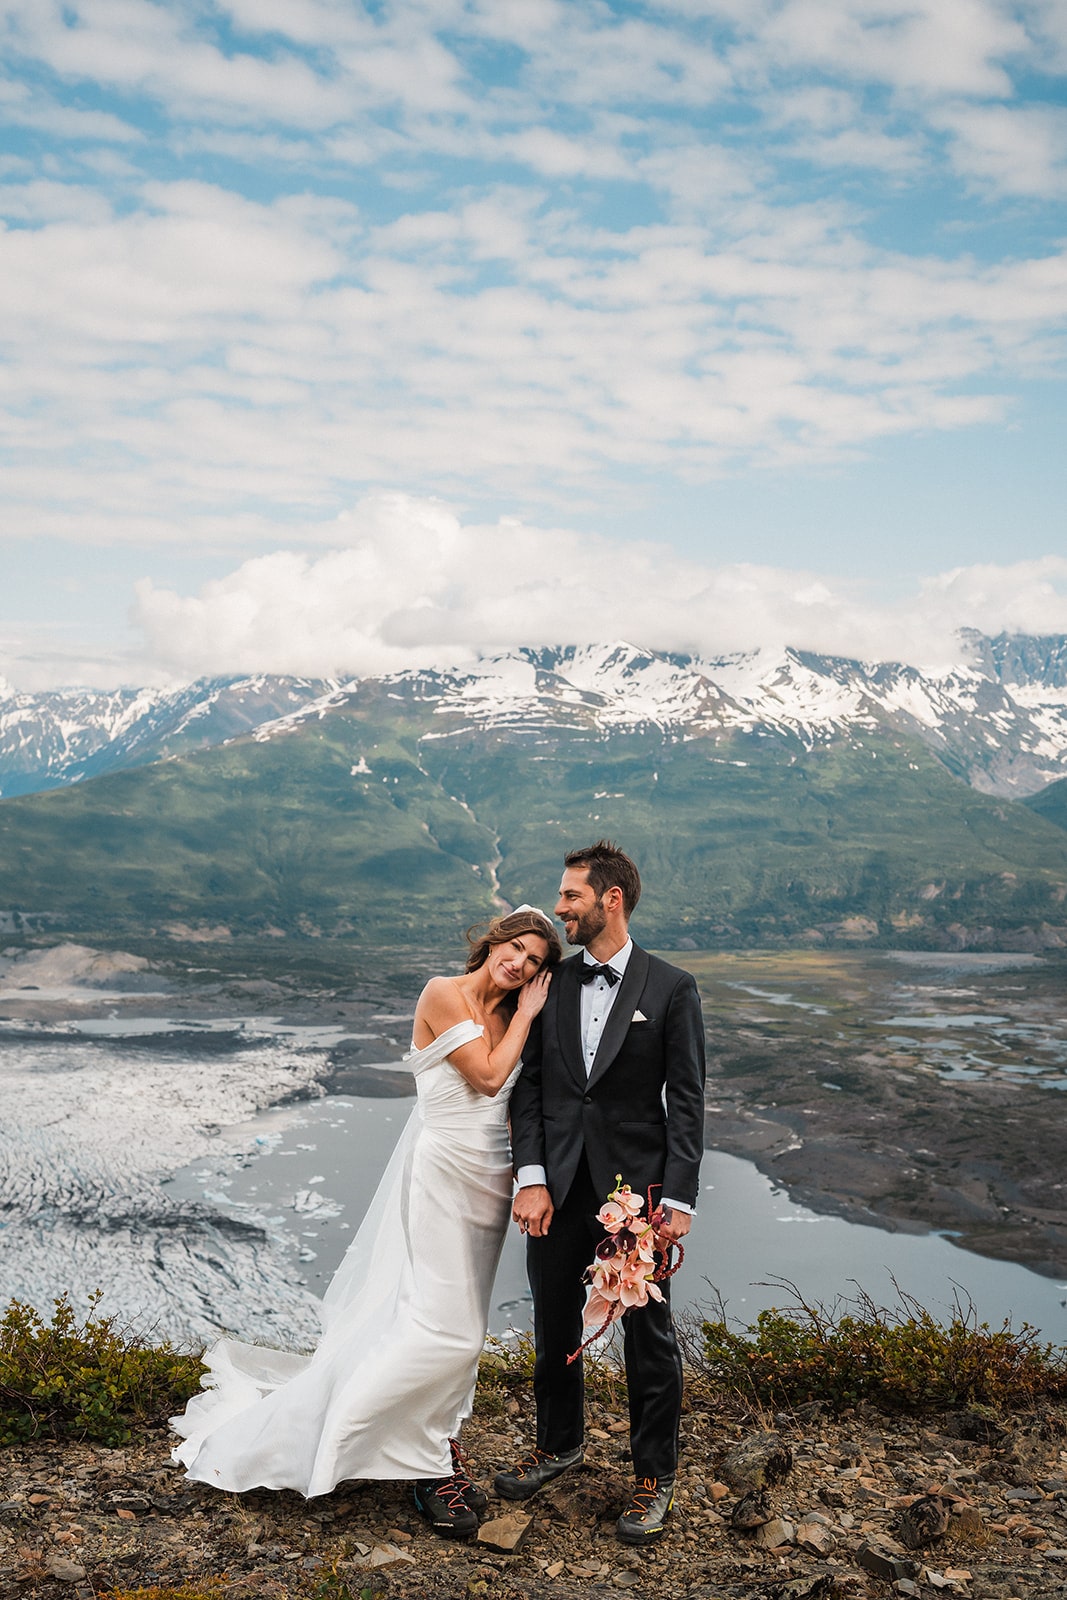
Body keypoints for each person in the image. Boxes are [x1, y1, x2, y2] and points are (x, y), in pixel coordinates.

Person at [171, 907, 561, 1540]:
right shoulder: (446, 993)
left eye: (535, 961)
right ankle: (367, 1440)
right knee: (444, 1330)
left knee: (459, 1324)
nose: (518, 963)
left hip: (491, 1180)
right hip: (441, 1174)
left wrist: (528, 1180)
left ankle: (429, 1449)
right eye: (514, 948)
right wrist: (525, 1016)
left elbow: (519, 1105)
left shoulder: (512, 1015)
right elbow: (488, 1079)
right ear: (493, 942)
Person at [496, 841, 706, 1544]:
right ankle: (559, 1444)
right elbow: (528, 1090)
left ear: (609, 899)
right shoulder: (549, 984)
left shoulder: (670, 988)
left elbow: (687, 1100)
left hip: (635, 1198)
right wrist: (530, 1178)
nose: (558, 910)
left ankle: (654, 1475)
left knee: (648, 1338)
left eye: (569, 897)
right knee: (553, 1323)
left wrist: (675, 1199)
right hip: (553, 1191)